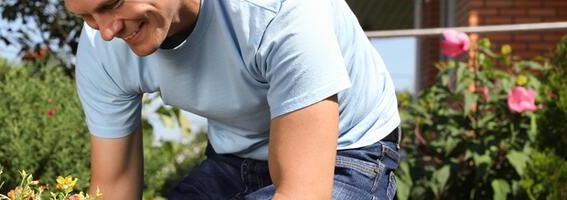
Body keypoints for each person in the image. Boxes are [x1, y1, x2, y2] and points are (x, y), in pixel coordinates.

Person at [64, 0, 401, 199]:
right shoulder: (100, 45)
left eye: (111, 3)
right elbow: (114, 185)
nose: (106, 30)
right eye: (87, 15)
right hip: (235, 156)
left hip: (347, 151)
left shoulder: (277, 10)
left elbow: (302, 191)